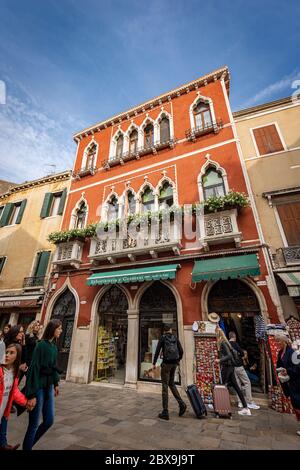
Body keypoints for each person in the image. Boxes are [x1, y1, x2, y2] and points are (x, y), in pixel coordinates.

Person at [22, 319, 63, 450]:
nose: (61, 331)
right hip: (38, 387)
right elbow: (33, 369)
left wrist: (56, 383)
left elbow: (54, 366)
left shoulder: (54, 347)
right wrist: (31, 394)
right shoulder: (40, 345)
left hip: (49, 386)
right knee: (33, 424)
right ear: (53, 329)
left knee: (49, 420)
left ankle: (28, 446)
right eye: (59, 328)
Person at [0, 343, 36, 451]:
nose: (7, 355)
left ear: (17, 357)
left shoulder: (13, 374)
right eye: (6, 352)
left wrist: (26, 403)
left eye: (11, 353)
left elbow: (14, 392)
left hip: (3, 411)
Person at [152, 324, 187, 421]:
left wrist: (154, 363)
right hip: (174, 364)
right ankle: (182, 404)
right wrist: (177, 360)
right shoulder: (175, 337)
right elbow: (181, 351)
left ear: (164, 331)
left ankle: (165, 412)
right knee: (172, 384)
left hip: (166, 364)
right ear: (171, 330)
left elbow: (157, 350)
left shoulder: (163, 338)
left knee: (165, 387)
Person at [215, 328, 251, 416]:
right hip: (230, 367)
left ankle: (221, 406)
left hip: (227, 367)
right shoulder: (226, 342)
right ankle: (245, 408)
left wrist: (219, 360)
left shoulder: (223, 343)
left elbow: (229, 355)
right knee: (236, 387)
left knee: (221, 386)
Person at [276, 333, 300, 436]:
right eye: (276, 341)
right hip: (288, 382)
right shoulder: (281, 352)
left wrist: (287, 371)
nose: (277, 344)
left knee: (298, 404)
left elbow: (298, 368)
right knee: (295, 404)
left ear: (284, 342)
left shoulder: (293, 353)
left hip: (297, 383)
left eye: (279, 341)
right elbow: (279, 364)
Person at [229, 331, 260, 410]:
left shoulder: (227, 344)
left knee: (238, 384)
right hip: (239, 366)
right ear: (234, 337)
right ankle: (249, 402)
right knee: (247, 382)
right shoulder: (235, 344)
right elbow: (242, 354)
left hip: (232, 367)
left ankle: (240, 402)